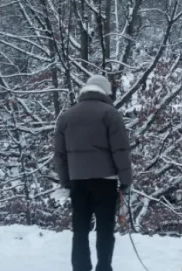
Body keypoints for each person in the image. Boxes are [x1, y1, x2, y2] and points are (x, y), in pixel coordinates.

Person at [54, 74, 133, 271]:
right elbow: (120, 150)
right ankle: (104, 267)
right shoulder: (110, 114)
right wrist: (125, 181)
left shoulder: (66, 117)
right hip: (105, 182)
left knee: (80, 230)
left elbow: (60, 155)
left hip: (78, 181)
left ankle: (81, 268)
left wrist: (66, 181)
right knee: (105, 230)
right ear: (106, 92)